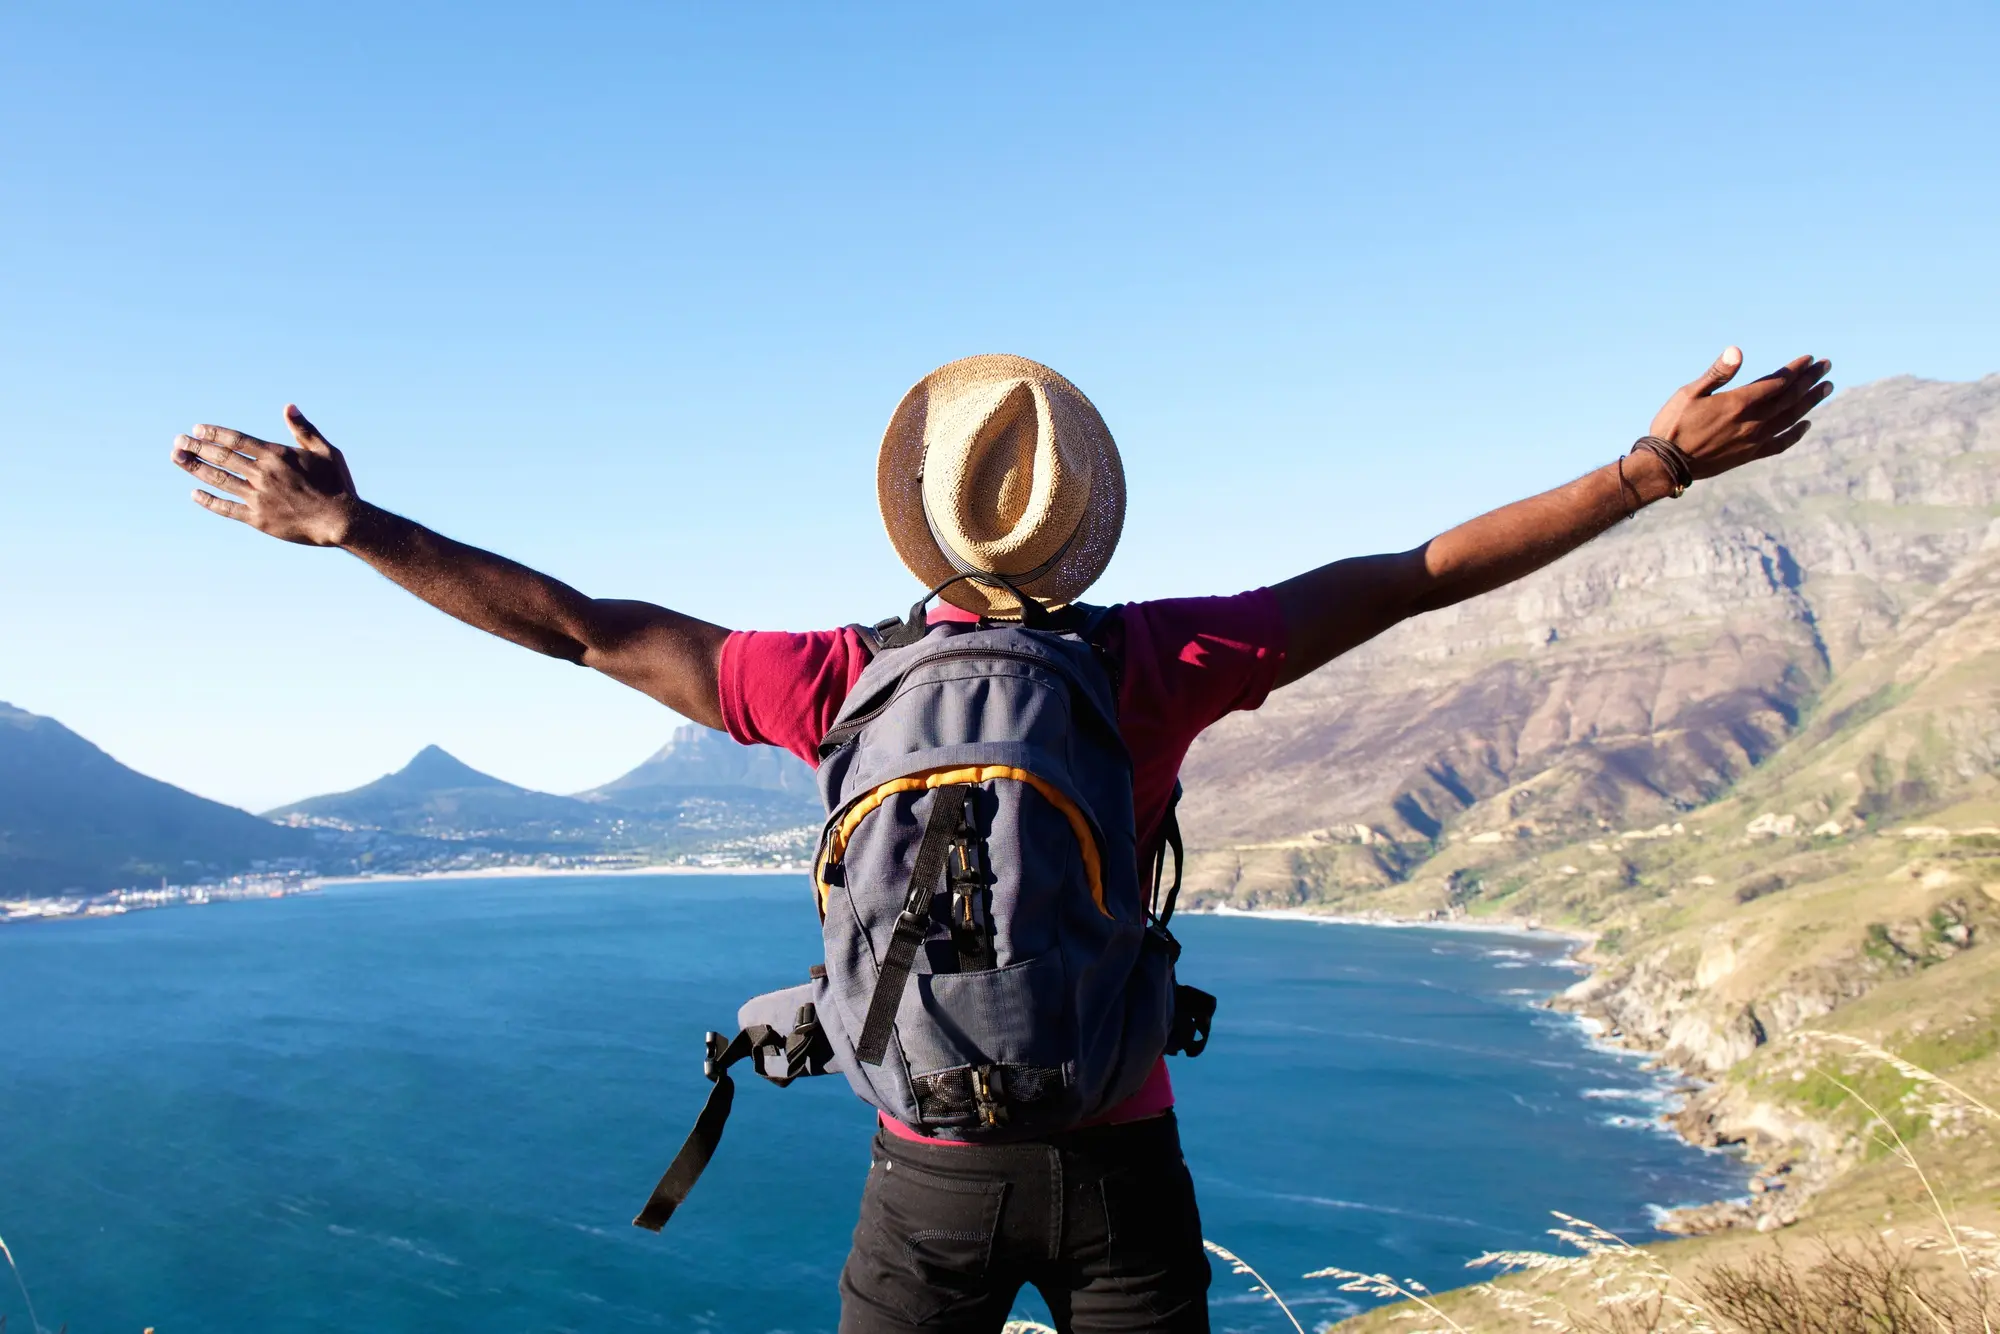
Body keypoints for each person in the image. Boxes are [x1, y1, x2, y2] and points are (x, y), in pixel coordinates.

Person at [169, 347, 1832, 1332]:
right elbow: (1419, 571)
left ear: (925, 522)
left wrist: (353, 524)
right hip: (1122, 1169)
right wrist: (1652, 466)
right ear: (1083, 521)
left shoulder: (824, 680)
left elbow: (581, 630)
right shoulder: (1154, 663)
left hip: (925, 1186)